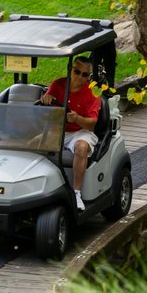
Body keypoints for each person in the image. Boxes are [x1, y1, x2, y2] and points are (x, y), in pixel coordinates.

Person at [39, 57, 100, 210]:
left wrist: (78, 118)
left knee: (81, 147)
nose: (79, 77)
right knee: (32, 143)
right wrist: (46, 99)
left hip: (80, 131)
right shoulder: (58, 85)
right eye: (77, 72)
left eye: (84, 75)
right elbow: (47, 103)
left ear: (89, 76)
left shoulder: (92, 92)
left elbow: (92, 123)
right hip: (58, 129)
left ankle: (76, 193)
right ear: (70, 70)